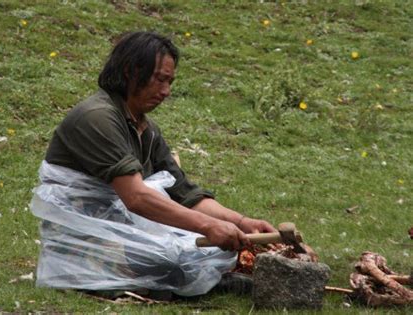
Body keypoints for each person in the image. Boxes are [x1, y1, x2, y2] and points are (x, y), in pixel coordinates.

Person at [32, 31, 276, 298]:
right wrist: (208, 227)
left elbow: (185, 195)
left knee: (193, 254)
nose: (166, 92)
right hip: (86, 238)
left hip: (121, 226)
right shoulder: (97, 117)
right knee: (168, 260)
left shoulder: (145, 128)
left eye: (170, 82)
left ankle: (208, 281)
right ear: (130, 71)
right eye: (160, 79)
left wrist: (242, 223)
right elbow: (136, 197)